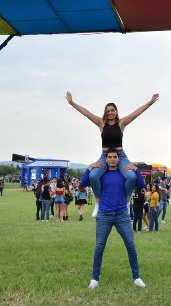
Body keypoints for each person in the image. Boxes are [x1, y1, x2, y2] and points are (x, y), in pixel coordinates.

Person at [66, 92, 159, 217]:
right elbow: (87, 113)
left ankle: (125, 202)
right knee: (93, 176)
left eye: (113, 110)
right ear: (105, 112)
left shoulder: (121, 123)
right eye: (108, 110)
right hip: (105, 156)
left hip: (120, 156)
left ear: (116, 111)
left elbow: (136, 113)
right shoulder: (101, 123)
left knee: (131, 177)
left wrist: (150, 102)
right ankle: (99, 204)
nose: (110, 112)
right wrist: (72, 103)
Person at [80, 147, 147, 289]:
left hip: (122, 214)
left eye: (114, 157)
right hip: (104, 214)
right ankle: (94, 279)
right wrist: (89, 168)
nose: (112, 159)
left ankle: (136, 277)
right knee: (99, 247)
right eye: (109, 157)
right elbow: (83, 183)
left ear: (118, 158)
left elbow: (141, 185)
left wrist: (135, 169)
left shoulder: (125, 173)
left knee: (130, 244)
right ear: (106, 159)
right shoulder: (100, 174)